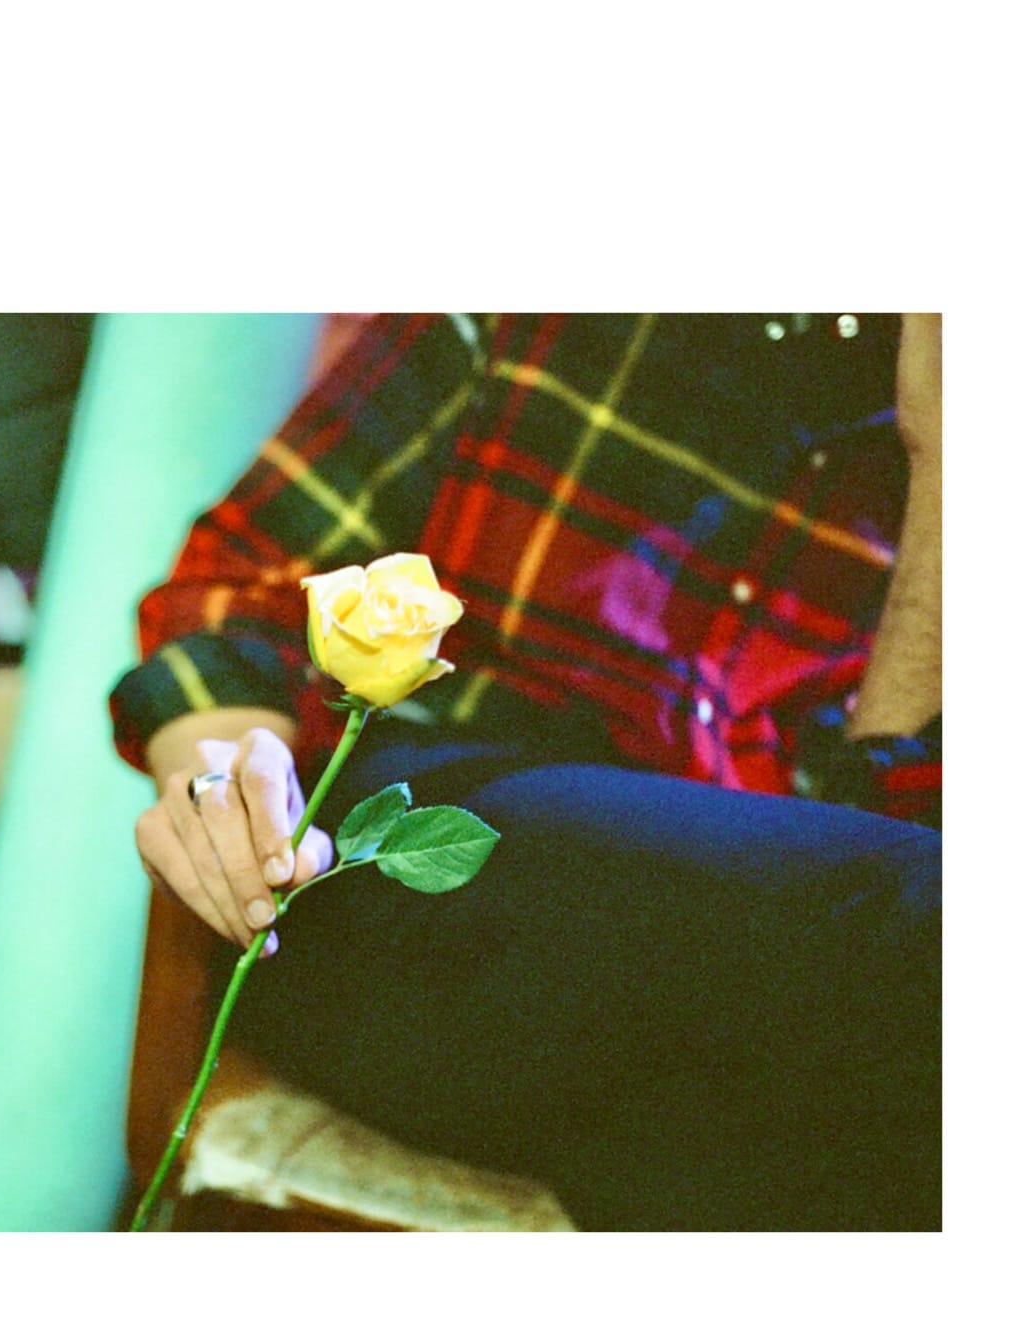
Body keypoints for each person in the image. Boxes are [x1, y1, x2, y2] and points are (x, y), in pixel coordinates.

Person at [110, 313, 941, 1231]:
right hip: (421, 885)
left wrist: (945, 477)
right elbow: (244, 578)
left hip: (741, 997)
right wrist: (226, 782)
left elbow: (883, 837)